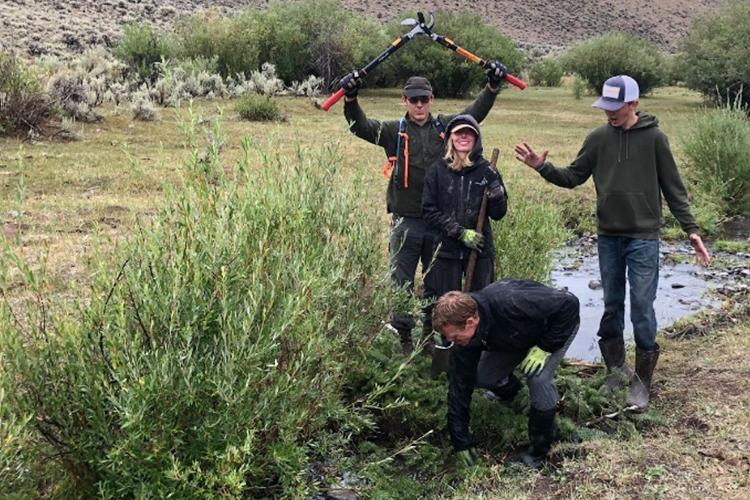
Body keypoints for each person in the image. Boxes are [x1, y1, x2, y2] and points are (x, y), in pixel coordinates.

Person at [514, 75, 711, 411]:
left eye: (615, 107)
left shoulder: (655, 139)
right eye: (605, 106)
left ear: (633, 104)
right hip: (608, 235)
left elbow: (674, 188)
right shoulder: (598, 138)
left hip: (644, 237)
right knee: (611, 304)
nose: (609, 113)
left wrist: (690, 229)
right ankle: (616, 370)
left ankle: (643, 382)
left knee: (643, 308)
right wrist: (542, 167)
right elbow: (573, 177)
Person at [340, 61, 508, 356]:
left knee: (435, 284)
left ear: (432, 100)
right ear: (404, 101)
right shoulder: (394, 131)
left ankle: (431, 337)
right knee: (401, 282)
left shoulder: (444, 127)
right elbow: (360, 127)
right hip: (406, 221)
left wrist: (492, 87)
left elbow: (474, 114)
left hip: (440, 222)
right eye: (413, 99)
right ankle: (405, 337)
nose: (419, 104)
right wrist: (351, 99)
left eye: (424, 99)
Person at [432, 280, 580, 468]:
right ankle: (515, 396)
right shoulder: (467, 339)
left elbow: (569, 304)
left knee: (537, 377)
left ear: (471, 322)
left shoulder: (509, 301)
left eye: (452, 336)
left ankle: (539, 453)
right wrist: (461, 442)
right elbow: (459, 389)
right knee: (482, 376)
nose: (449, 341)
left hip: (554, 329)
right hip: (515, 337)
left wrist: (545, 347)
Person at [422, 114, 508, 326]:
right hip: (446, 250)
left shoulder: (488, 170)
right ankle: (445, 345)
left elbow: (498, 214)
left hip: (479, 250)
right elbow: (428, 211)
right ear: (450, 138)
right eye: (458, 132)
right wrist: (459, 232)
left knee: (482, 303)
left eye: (468, 133)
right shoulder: (437, 171)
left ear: (476, 139)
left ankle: (479, 348)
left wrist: (497, 193)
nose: (463, 136)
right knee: (446, 305)